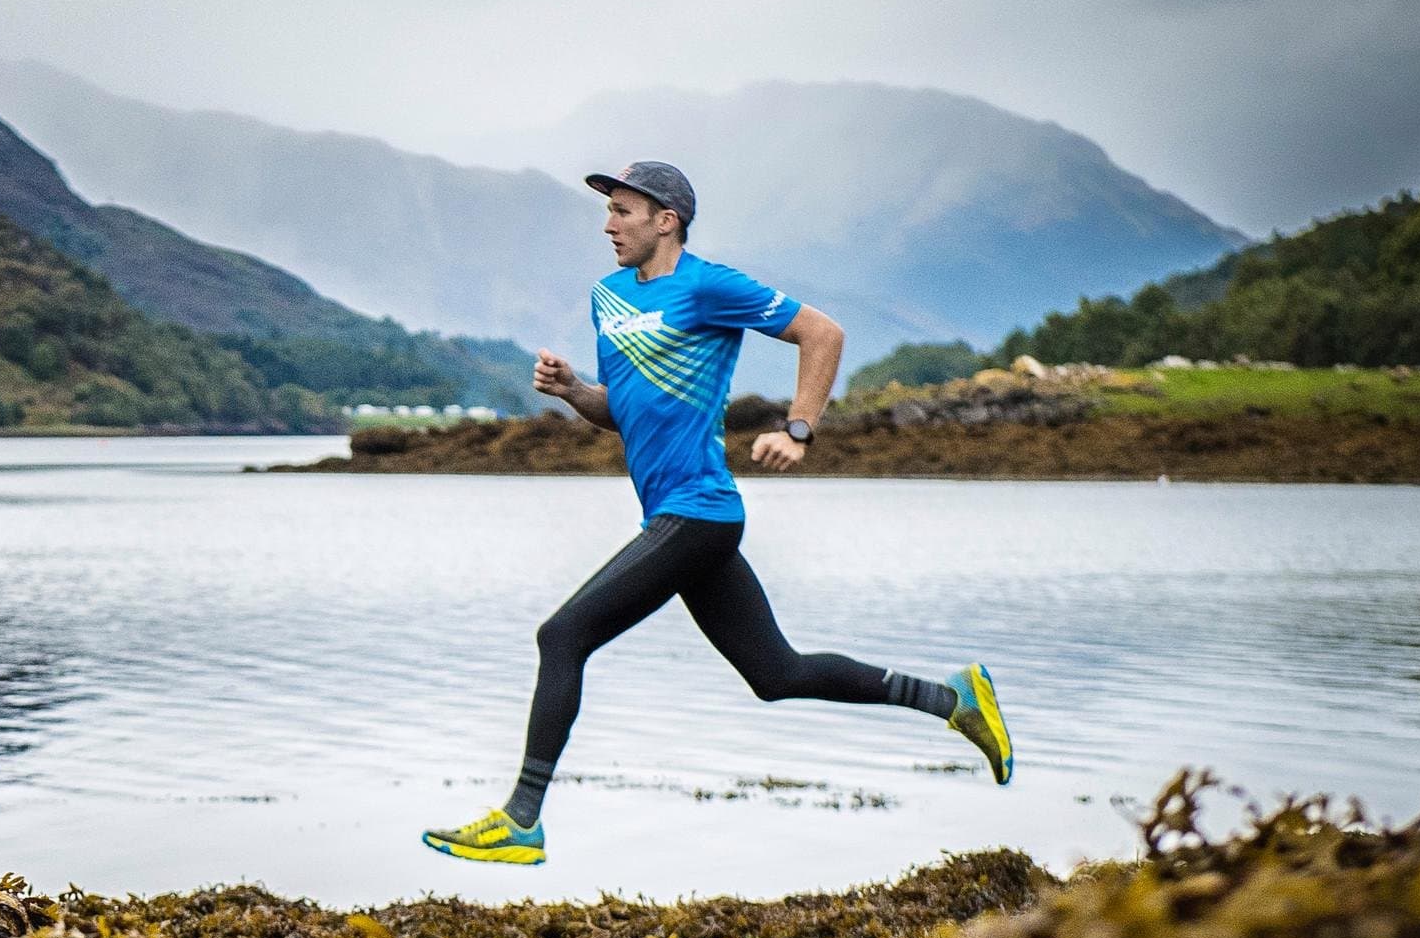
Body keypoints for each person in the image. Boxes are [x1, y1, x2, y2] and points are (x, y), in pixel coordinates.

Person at [423, 159, 1012, 866]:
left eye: (622, 212)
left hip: (699, 513)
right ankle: (953, 700)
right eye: (607, 211)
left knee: (562, 635)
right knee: (776, 674)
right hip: (676, 518)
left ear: (666, 220)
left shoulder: (709, 286)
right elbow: (624, 410)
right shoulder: (608, 298)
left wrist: (798, 429)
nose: (608, 225)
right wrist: (575, 390)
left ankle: (522, 820)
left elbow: (823, 334)